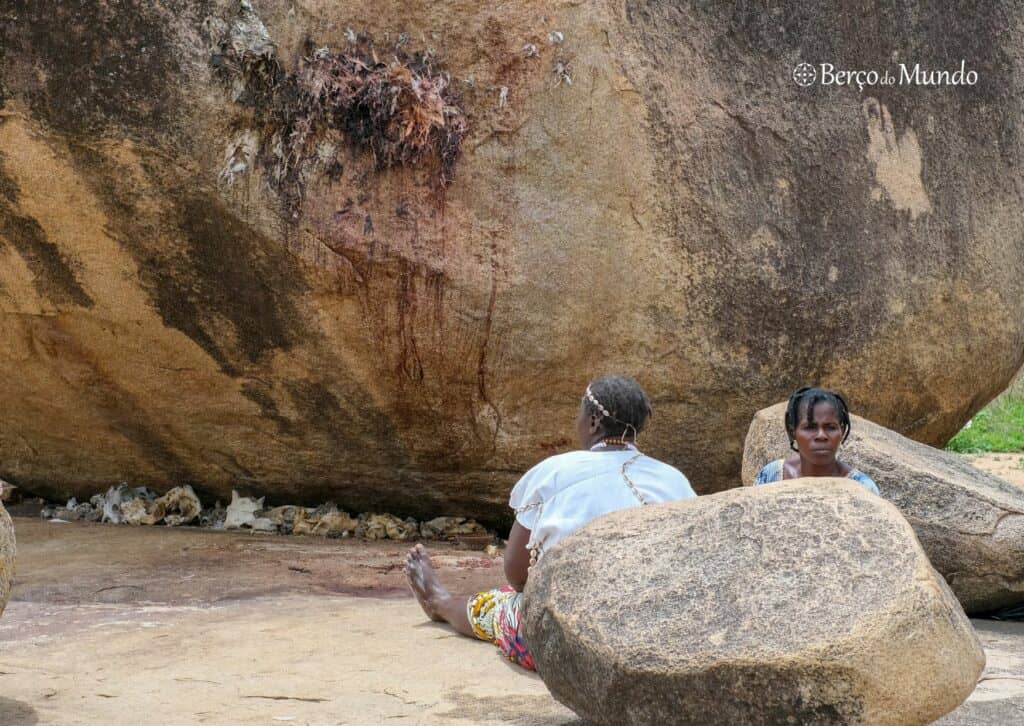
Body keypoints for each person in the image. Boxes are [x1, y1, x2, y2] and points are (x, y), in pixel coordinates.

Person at [405, 374, 696, 669]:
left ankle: (440, 603)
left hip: (563, 644)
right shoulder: (674, 480)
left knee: (501, 603)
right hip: (655, 633)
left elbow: (516, 575)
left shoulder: (553, 472)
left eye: (580, 412)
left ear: (594, 421)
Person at [753, 386, 879, 494]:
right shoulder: (771, 477)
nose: (821, 435)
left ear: (842, 431)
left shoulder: (863, 487)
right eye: (810, 427)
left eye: (831, 428)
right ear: (793, 432)